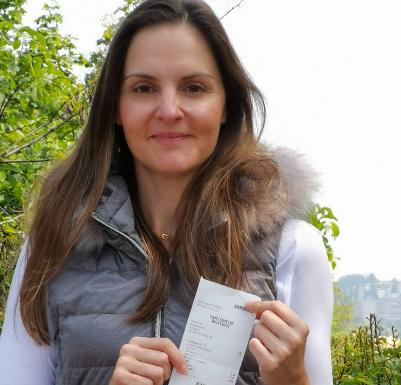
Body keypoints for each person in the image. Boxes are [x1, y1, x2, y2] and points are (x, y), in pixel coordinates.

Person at [0, 0, 333, 384]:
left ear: (226, 104)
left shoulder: (293, 250)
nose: (170, 109)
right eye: (144, 88)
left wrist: (293, 382)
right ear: (115, 107)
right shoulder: (52, 244)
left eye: (194, 87)